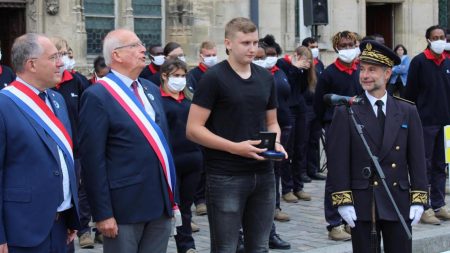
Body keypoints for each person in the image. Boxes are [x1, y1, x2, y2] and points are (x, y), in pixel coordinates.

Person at [186, 17, 287, 253]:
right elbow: (193, 129)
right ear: (228, 44)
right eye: (245, 43)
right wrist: (235, 147)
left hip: (264, 174)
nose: (252, 48)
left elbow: (272, 122)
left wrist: (278, 143)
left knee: (260, 247)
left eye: (255, 42)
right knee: (225, 248)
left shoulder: (265, 78)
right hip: (225, 176)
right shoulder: (213, 78)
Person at [79, 29, 176, 253]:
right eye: (134, 45)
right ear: (117, 55)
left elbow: (162, 147)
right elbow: (93, 161)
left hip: (159, 202)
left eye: (141, 44)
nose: (143, 49)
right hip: (124, 207)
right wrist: (102, 213)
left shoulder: (150, 89)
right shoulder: (97, 96)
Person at [328, 40, 428, 253]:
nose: (365, 75)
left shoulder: (406, 110)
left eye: (372, 70)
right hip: (364, 202)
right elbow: (337, 162)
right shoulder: (346, 110)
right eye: (362, 69)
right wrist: (342, 200)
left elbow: (418, 158)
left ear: (387, 73)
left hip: (397, 199)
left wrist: (419, 197)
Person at [0, 33, 79, 252]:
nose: (61, 63)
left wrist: (71, 214)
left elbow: (63, 157)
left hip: (61, 225)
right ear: (32, 64)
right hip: (22, 230)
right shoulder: (4, 105)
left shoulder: (57, 100)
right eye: (54, 57)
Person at [313, 30, 362, 241]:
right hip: (335, 126)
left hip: (360, 126)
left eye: (351, 44)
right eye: (343, 46)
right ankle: (334, 223)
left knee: (357, 174)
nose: (348, 49)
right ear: (336, 48)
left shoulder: (362, 70)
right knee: (336, 176)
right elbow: (318, 103)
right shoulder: (329, 73)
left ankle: (352, 219)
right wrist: (325, 125)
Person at [405, 25, 450, 225]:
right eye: (435, 37)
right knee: (423, 165)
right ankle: (424, 206)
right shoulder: (419, 62)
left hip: (446, 124)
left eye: (442, 36)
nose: (440, 40)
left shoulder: (448, 61)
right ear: (428, 40)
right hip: (425, 123)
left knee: (442, 165)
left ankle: (439, 204)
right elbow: (409, 94)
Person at [159, 58, 202, 253]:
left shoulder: (190, 100)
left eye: (183, 76)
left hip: (192, 159)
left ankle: (186, 246)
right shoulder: (158, 101)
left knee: (185, 206)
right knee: (170, 207)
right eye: (176, 76)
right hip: (171, 161)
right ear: (165, 76)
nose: (180, 80)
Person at [276, 45, 312, 203]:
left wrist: (304, 72)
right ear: (296, 55)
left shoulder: (302, 70)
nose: (306, 63)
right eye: (305, 60)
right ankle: (287, 188)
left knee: (300, 148)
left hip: (300, 108)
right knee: (288, 150)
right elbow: (286, 87)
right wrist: (295, 69)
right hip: (288, 109)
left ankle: (299, 186)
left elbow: (303, 88)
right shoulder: (282, 65)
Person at [187, 40, 218, 217]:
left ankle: (210, 196)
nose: (211, 58)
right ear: (201, 56)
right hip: (201, 124)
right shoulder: (194, 74)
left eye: (214, 55)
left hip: (217, 124)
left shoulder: (220, 73)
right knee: (200, 164)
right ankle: (199, 200)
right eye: (208, 55)